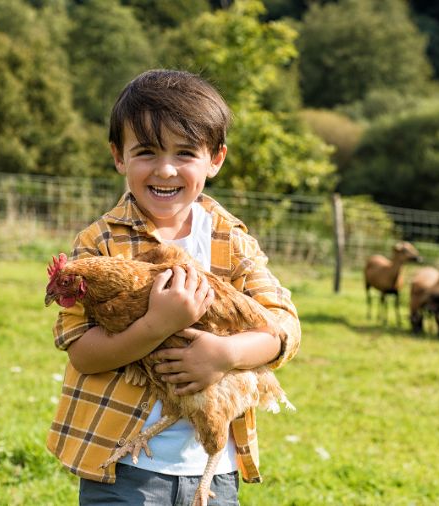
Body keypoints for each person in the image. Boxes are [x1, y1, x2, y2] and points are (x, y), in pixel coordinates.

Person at [46, 69, 301, 506]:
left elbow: (284, 329)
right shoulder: (98, 244)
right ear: (118, 156)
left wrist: (226, 354)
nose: (165, 168)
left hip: (213, 471)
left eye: (185, 153)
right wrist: (157, 325)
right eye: (145, 151)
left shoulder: (231, 241)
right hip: (121, 465)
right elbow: (81, 353)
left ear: (215, 159)